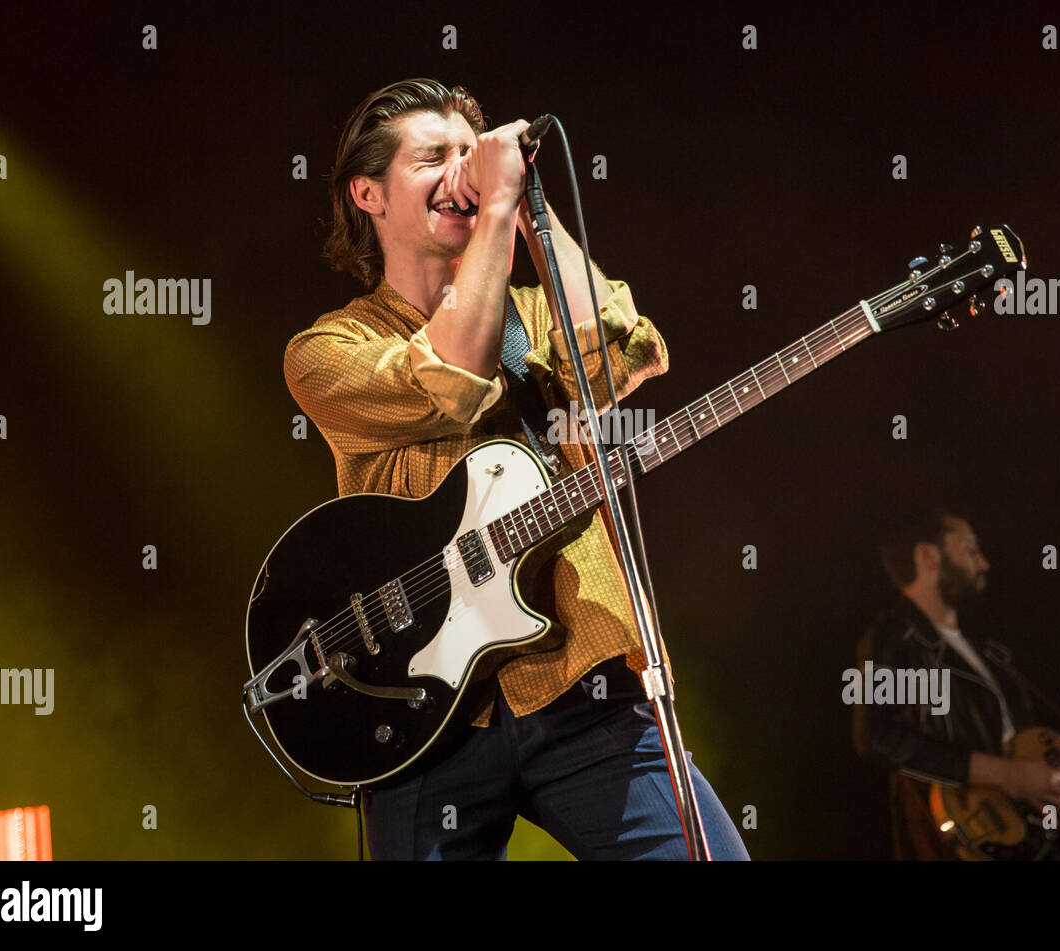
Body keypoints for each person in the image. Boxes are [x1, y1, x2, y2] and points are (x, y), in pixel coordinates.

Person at [282, 78, 748, 860]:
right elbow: (453, 381)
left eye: (472, 154)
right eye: (434, 157)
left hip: (579, 680)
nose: (463, 171)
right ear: (368, 192)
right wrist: (495, 210)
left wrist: (530, 206)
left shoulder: (532, 311)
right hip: (427, 720)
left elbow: (617, 347)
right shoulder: (327, 352)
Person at [852, 506, 1060, 859]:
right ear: (928, 556)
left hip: (1035, 844)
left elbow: (1039, 752)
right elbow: (876, 737)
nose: (984, 563)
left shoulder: (989, 653)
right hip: (969, 845)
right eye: (970, 548)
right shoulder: (893, 636)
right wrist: (1008, 775)